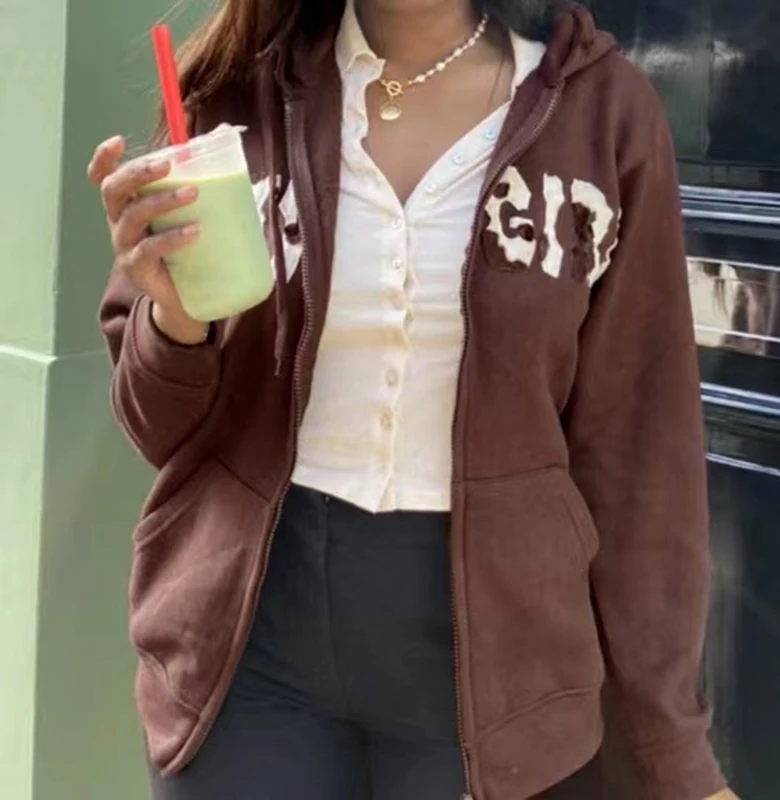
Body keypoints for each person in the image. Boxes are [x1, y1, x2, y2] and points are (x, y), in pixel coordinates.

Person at [87, 1, 741, 798]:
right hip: (247, 652)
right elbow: (156, 427)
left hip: (501, 674)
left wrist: (673, 752)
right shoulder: (233, 100)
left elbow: (639, 455)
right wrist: (176, 321)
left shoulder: (602, 115)